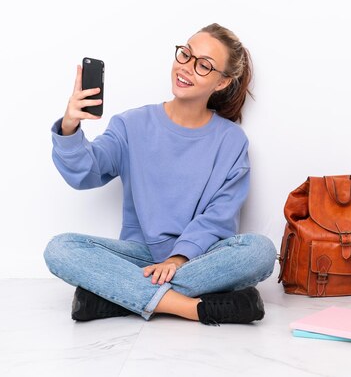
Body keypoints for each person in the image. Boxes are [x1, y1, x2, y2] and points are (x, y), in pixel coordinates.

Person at [44, 23, 276, 325]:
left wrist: (179, 258)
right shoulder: (131, 124)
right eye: (185, 55)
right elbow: (85, 172)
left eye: (203, 65)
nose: (187, 68)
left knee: (260, 251)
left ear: (222, 83)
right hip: (138, 258)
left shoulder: (231, 141)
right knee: (60, 249)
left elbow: (220, 215)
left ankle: (113, 297)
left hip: (199, 257)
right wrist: (70, 126)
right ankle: (192, 308)